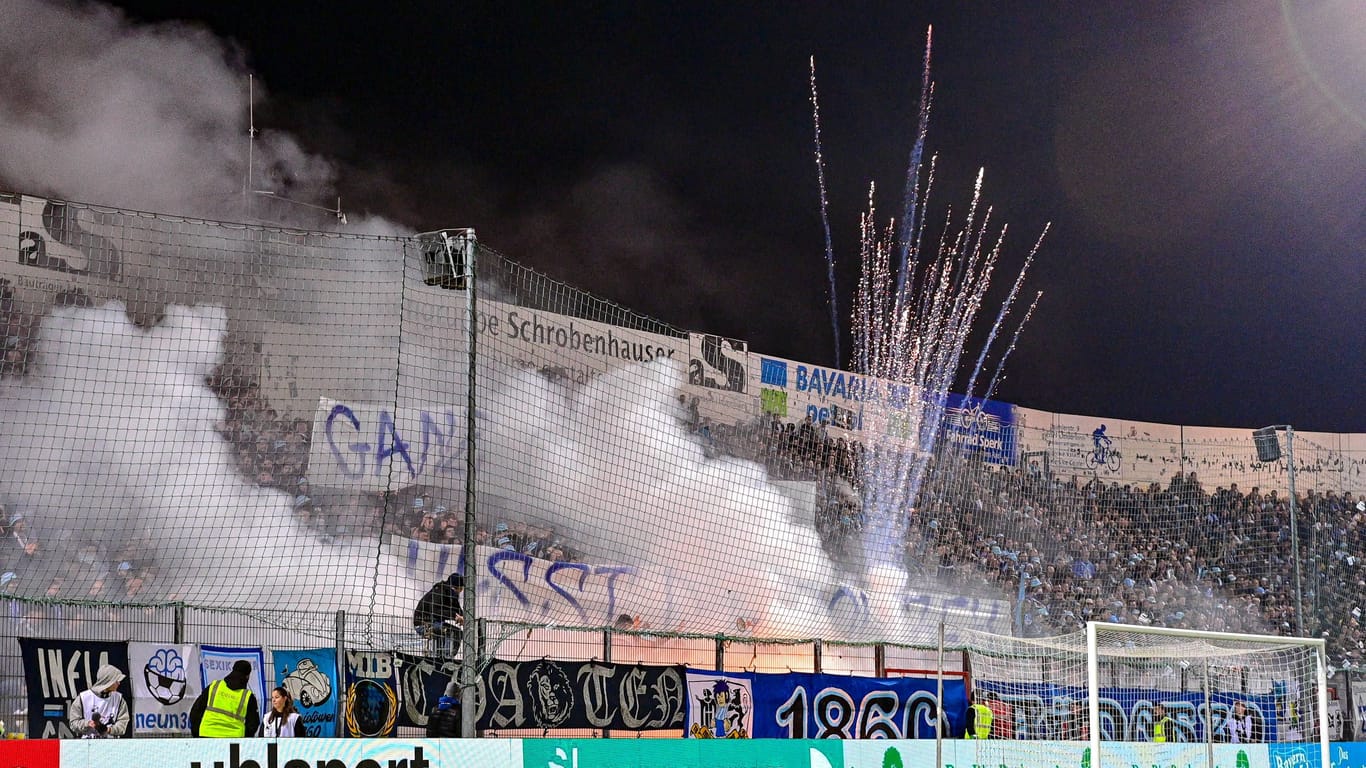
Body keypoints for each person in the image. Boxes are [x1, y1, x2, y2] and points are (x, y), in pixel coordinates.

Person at [190, 660, 261, 738]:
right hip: (233, 739)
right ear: (247, 676)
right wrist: (244, 739)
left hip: (207, 734)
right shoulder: (248, 696)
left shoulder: (214, 686)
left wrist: (197, 733)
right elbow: (253, 724)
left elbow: (196, 711)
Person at [65, 663, 129, 738]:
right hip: (87, 744)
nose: (119, 683)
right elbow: (73, 723)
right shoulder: (83, 698)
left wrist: (108, 730)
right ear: (108, 682)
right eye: (116, 681)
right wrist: (88, 724)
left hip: (112, 745)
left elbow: (122, 724)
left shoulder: (119, 699)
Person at [414, 572, 465, 650]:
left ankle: (443, 657)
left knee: (456, 633)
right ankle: (446, 658)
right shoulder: (439, 592)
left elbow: (457, 609)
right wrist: (454, 615)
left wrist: (463, 617)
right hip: (424, 625)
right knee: (454, 633)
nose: (460, 592)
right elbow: (435, 612)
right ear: (453, 587)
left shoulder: (451, 595)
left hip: (436, 623)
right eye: (460, 589)